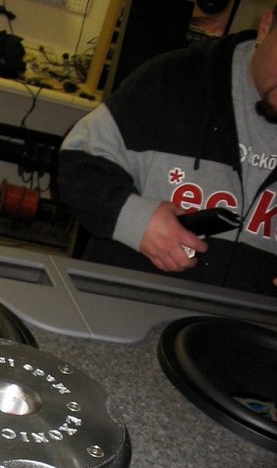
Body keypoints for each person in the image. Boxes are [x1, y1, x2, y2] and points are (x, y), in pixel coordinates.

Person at [58, 5, 277, 295]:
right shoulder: (170, 80)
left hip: (249, 320)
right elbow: (77, 163)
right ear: (265, 27)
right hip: (128, 304)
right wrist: (136, 221)